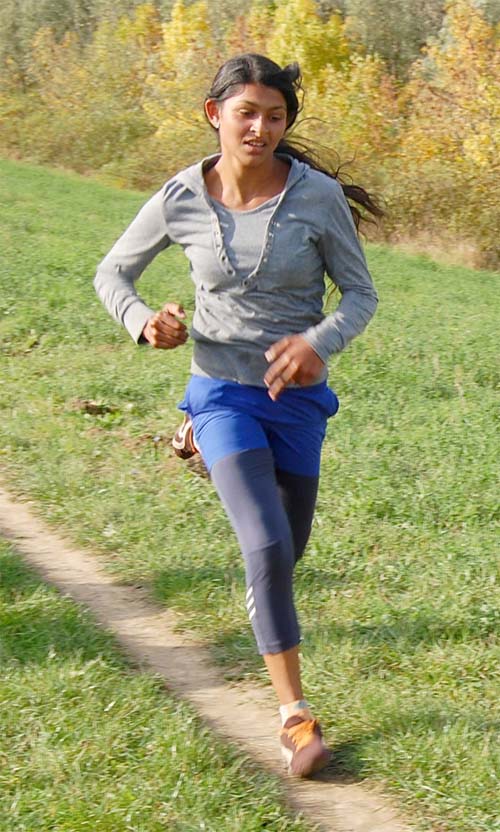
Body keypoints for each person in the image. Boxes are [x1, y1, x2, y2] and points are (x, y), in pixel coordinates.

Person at [94, 53, 381, 778]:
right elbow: (112, 272)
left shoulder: (317, 198)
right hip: (220, 387)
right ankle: (295, 718)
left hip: (296, 401)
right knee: (266, 546)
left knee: (286, 552)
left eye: (275, 116)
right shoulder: (181, 197)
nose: (260, 127)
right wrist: (142, 321)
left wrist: (317, 343)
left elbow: (361, 295)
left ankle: (199, 444)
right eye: (246, 112)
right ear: (214, 114)